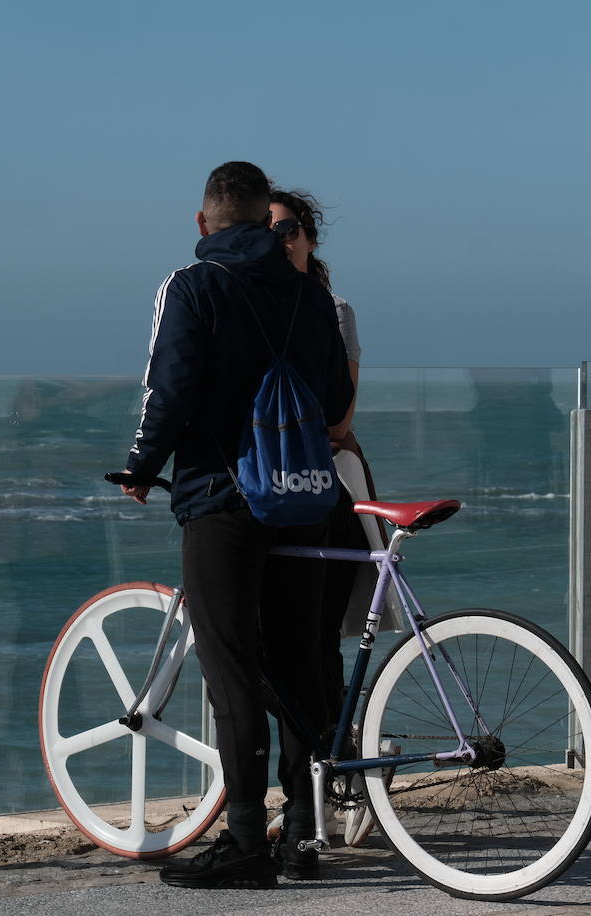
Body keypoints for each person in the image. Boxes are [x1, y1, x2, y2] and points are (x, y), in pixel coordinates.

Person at [121, 162, 353, 888]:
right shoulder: (312, 298)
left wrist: (139, 464)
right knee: (298, 666)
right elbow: (335, 393)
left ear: (202, 223)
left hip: (222, 499)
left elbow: (171, 385)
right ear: (264, 223)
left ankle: (247, 843)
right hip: (305, 495)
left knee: (233, 672)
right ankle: (304, 839)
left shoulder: (189, 286)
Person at [266, 187, 373, 757]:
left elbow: (339, 420)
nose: (279, 241)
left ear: (308, 236)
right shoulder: (254, 307)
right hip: (276, 485)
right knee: (285, 645)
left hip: (327, 485)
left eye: (288, 229)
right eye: (267, 231)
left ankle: (329, 769)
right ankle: (322, 768)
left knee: (320, 640)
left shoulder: (333, 310)